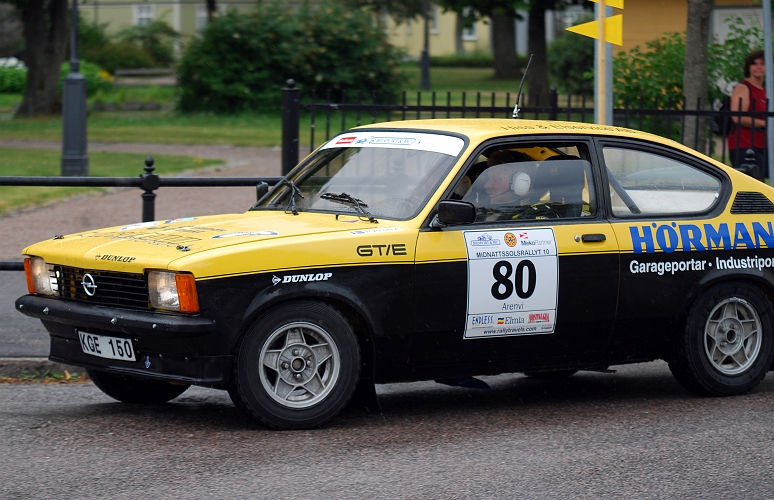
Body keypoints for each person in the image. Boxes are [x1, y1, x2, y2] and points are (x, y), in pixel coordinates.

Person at [728, 49, 767, 180]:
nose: (759, 67)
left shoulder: (765, 90)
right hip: (744, 145)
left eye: (762, 63)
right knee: (752, 185)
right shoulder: (744, 88)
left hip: (763, 145)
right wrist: (764, 123)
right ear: (749, 67)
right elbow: (737, 117)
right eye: (755, 64)